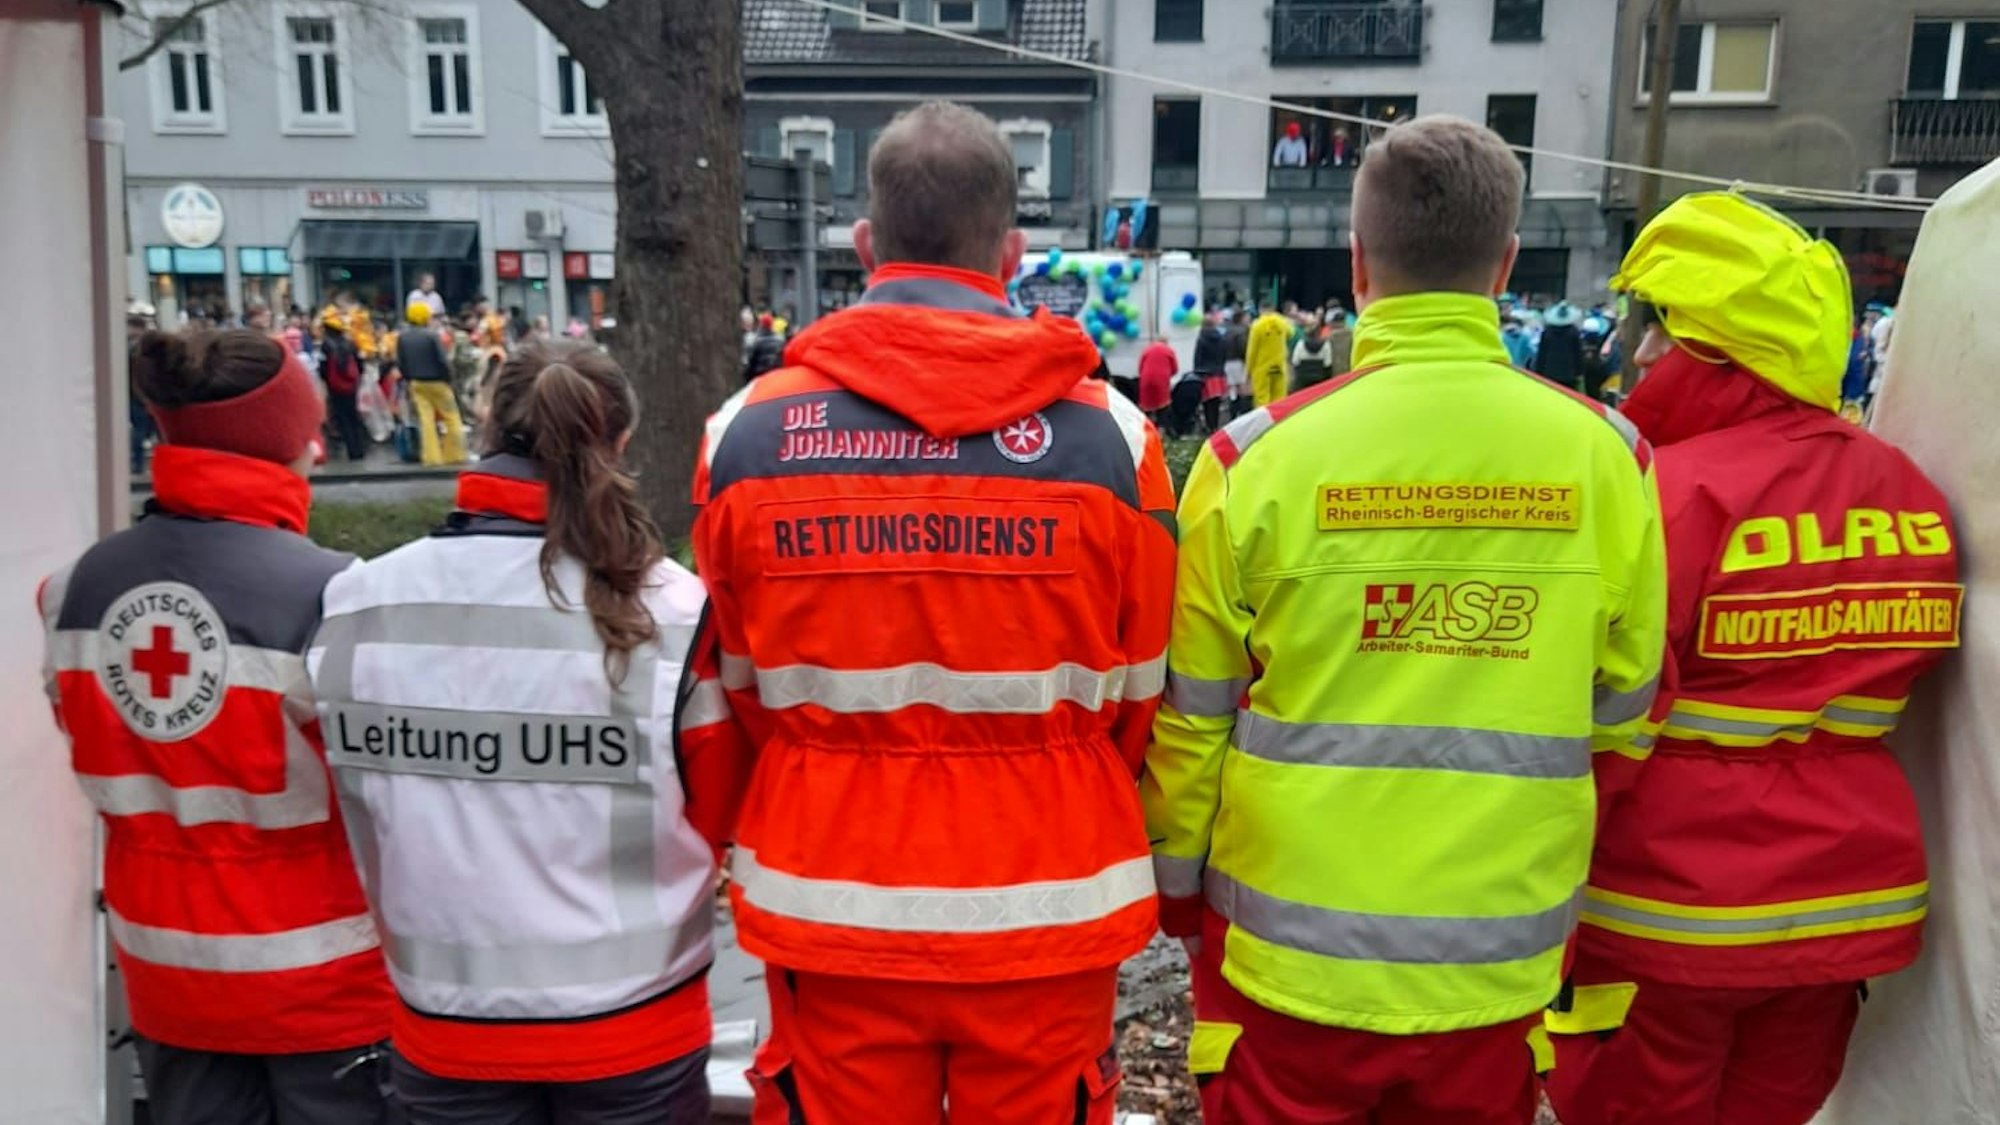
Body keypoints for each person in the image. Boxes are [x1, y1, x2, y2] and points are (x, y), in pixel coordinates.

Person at [1145, 115, 1667, 1125]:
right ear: (1505, 262)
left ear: (1355, 263)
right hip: (1498, 954)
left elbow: (1192, 721)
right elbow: (1622, 716)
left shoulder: (1251, 460)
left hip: (1284, 961)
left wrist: (1175, 892)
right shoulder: (1610, 458)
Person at [692, 100, 1176, 1125]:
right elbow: (1140, 691)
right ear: (1010, 253)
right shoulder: (1115, 443)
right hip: (1049, 896)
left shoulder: (745, 435)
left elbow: (733, 684)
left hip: (828, 899)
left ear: (865, 243)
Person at [1543, 193, 1961, 1125]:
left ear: (1724, 352)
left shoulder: (1668, 495)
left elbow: (1601, 712)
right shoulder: (1914, 492)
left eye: (1664, 332)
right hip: (1851, 899)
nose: (1638, 354)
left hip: (1669, 904)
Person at [309, 340, 742, 1125]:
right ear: (618, 444)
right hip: (633, 1028)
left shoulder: (357, 602)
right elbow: (721, 809)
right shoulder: (672, 609)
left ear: (483, 424)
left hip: (443, 1025)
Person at [40, 328, 395, 1125]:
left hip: (166, 975)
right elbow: (390, 791)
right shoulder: (339, 593)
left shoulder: (70, 591)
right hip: (323, 987)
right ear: (292, 442)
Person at [396, 301, 466, 465]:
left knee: (426, 421)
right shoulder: (432, 336)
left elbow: (401, 362)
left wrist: (408, 378)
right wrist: (449, 378)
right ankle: (454, 454)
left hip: (417, 384)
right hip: (438, 382)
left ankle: (432, 458)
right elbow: (442, 360)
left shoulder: (403, 337)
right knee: (451, 417)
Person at [320, 307, 368, 461]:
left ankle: (351, 449)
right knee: (353, 415)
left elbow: (323, 368)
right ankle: (359, 449)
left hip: (335, 386)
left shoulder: (326, 345)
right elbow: (360, 364)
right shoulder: (350, 343)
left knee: (342, 417)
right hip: (352, 385)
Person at [1533, 300, 1587, 391]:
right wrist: (1579, 372)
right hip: (1569, 374)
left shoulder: (1547, 333)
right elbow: (1578, 354)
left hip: (1549, 373)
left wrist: (1538, 372)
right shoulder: (1573, 332)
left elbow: (1541, 354)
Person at [1246, 302, 1291, 407]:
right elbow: (1291, 333)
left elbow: (1252, 351)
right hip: (1279, 366)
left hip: (1262, 368)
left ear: (1261, 310)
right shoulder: (1282, 322)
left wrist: (1248, 371)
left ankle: (1264, 422)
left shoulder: (1257, 326)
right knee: (1280, 399)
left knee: (1262, 399)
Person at [1192, 309, 1230, 432]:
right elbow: (1224, 354)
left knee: (1207, 402)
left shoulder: (1201, 339)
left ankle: (1209, 425)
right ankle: (1215, 426)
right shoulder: (1221, 338)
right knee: (1217, 402)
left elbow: (1198, 357)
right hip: (1219, 374)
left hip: (1205, 375)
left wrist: (1197, 371)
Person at [1289, 315, 1337, 390]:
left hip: (1302, 381)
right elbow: (1328, 363)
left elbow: (1295, 362)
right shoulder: (1325, 344)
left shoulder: (1301, 343)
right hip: (1320, 381)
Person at [1139, 334, 1177, 426]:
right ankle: (1161, 429)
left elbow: (1140, 368)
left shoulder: (1146, 350)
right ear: (1166, 342)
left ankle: (1146, 428)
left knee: (1146, 405)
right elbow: (1175, 369)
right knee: (1163, 405)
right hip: (1161, 380)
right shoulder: (1169, 350)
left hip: (1146, 379)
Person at [742, 313, 785, 382]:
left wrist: (746, 378)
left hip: (760, 377)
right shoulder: (780, 341)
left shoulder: (756, 342)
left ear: (761, 325)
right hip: (776, 377)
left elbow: (751, 363)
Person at [1224, 310, 1251, 418]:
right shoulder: (1242, 332)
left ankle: (1232, 412)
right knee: (1243, 389)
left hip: (1228, 363)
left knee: (1232, 389)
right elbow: (1243, 348)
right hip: (1239, 362)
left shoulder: (1227, 331)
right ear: (1242, 319)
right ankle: (1243, 412)